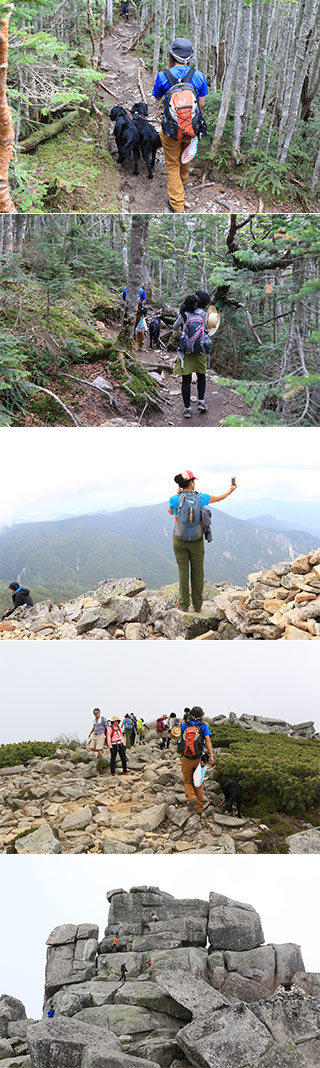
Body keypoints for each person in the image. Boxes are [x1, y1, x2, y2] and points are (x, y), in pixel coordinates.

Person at [152, 38, 208, 213]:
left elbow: (157, 98)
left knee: (172, 164)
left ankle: (177, 204)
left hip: (170, 129)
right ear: (189, 56)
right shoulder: (197, 76)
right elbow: (201, 104)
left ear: (171, 55)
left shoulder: (164, 75)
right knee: (185, 158)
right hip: (191, 128)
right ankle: (181, 187)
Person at [168, 470, 237, 613]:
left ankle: (183, 604)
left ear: (181, 485)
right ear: (191, 482)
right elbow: (218, 498)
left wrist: (178, 493)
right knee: (198, 572)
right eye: (194, 481)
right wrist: (230, 491)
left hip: (179, 540)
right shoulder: (200, 497)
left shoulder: (174, 499)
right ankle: (198, 606)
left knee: (183, 572)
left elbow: (170, 511)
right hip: (196, 540)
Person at [172, 290, 216, 418]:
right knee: (201, 376)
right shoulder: (205, 315)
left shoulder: (184, 314)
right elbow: (211, 330)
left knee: (186, 380)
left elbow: (175, 327)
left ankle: (187, 409)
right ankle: (201, 402)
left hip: (186, 351)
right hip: (201, 349)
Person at [179, 705, 214, 814]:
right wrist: (211, 755)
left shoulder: (184, 725)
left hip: (186, 758)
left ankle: (191, 797)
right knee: (198, 783)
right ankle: (199, 808)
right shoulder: (203, 726)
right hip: (199, 758)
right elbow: (208, 741)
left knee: (187, 781)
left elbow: (175, 736)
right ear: (201, 716)